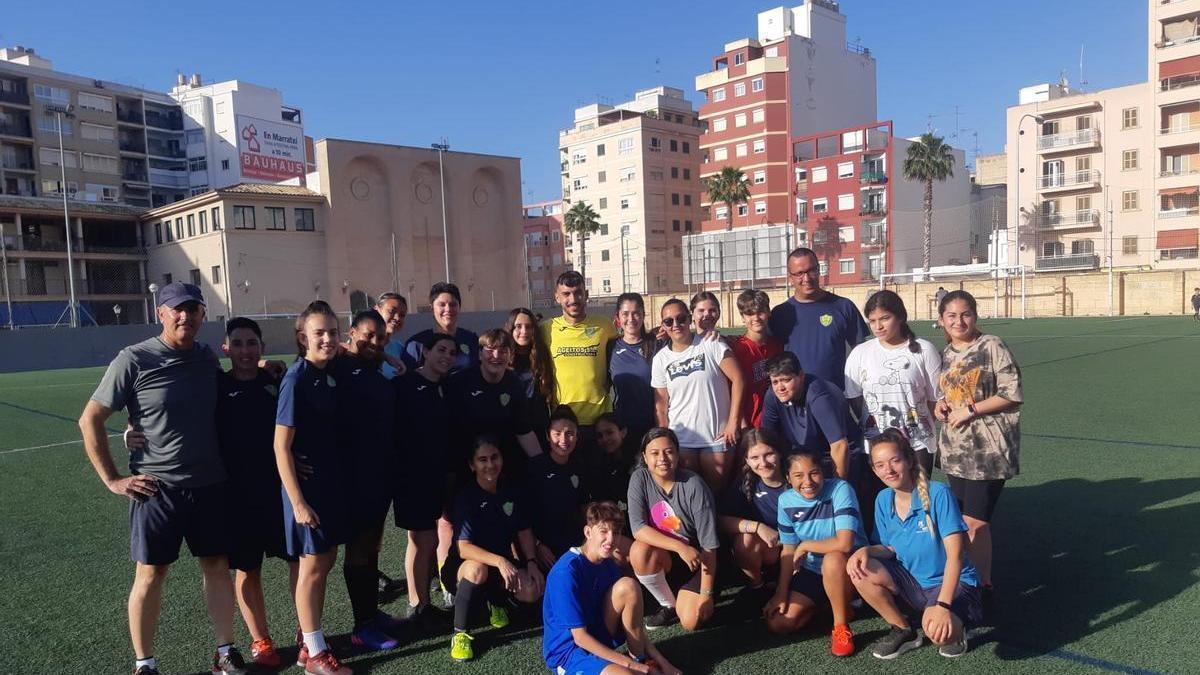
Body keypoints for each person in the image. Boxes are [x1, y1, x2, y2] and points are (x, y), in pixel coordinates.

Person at [80, 281, 249, 675]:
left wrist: (263, 367)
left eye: (193, 309)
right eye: (176, 309)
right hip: (156, 488)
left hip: (209, 484)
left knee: (216, 566)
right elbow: (90, 419)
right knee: (151, 574)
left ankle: (226, 652)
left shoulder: (206, 358)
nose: (185, 316)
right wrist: (113, 479)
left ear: (203, 315)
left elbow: (231, 384)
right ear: (161, 314)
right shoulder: (134, 359)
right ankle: (145, 664)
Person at [847, 429, 982, 659]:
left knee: (938, 634)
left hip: (952, 584)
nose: (888, 470)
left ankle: (958, 628)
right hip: (913, 583)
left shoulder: (938, 494)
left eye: (895, 461)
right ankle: (903, 629)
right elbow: (889, 548)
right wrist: (865, 550)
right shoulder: (883, 499)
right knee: (860, 569)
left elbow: (956, 556)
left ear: (909, 460)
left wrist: (942, 605)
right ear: (873, 469)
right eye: (880, 465)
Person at [275, 301, 353, 675]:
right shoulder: (297, 378)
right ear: (302, 337)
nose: (327, 338)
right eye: (318, 332)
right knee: (312, 567)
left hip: (331, 484)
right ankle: (316, 656)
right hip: (307, 492)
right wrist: (298, 503)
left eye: (332, 332)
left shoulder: (330, 371)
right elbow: (280, 446)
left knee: (326, 562)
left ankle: (311, 642)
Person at [934, 290, 1022, 615]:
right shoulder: (944, 354)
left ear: (975, 315)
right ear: (941, 319)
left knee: (975, 521)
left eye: (965, 314)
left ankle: (980, 583)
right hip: (956, 450)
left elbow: (1012, 394)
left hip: (989, 449)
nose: (959, 321)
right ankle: (974, 579)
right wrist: (941, 406)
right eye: (951, 316)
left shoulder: (991, 346)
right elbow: (943, 395)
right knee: (965, 521)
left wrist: (971, 409)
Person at [217, 318, 298, 669]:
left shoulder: (278, 381)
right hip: (237, 498)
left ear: (262, 348)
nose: (246, 351)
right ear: (227, 349)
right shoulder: (216, 386)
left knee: (299, 561)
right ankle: (260, 640)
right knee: (247, 570)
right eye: (238, 344)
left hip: (280, 492)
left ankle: (305, 629)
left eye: (252, 344)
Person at [329, 311, 403, 651]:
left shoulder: (376, 368)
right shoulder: (339, 365)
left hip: (380, 474)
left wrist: (382, 355)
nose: (374, 342)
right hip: (352, 478)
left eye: (381, 337)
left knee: (372, 547)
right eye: (368, 335)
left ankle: (371, 612)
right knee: (358, 550)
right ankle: (362, 626)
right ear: (351, 333)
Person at [542, 501, 681, 675]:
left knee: (629, 586)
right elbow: (579, 637)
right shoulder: (566, 572)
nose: (610, 539)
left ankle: (641, 657)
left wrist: (662, 662)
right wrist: (632, 667)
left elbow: (636, 624)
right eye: (604, 531)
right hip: (569, 653)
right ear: (588, 532)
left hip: (597, 637)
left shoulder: (607, 563)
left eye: (615, 533)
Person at [442, 436, 545, 662]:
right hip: (464, 567)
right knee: (478, 569)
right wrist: (499, 560)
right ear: (472, 465)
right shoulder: (466, 498)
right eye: (482, 460)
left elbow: (524, 530)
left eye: (494, 457)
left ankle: (495, 602)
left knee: (532, 589)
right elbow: (463, 548)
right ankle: (460, 633)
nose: (490, 465)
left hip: (500, 566)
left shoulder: (510, 491)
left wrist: (531, 562)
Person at [766, 448, 868, 657]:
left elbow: (845, 543)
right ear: (788, 477)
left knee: (832, 559)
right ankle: (839, 605)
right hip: (814, 570)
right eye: (798, 475)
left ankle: (841, 627)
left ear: (823, 472)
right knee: (779, 623)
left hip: (849, 567)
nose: (808, 481)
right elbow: (788, 550)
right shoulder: (785, 501)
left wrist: (806, 546)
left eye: (814, 473)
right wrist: (780, 593)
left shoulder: (840, 489)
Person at [392, 332, 458, 630]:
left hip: (437, 475)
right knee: (421, 539)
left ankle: (423, 604)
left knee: (428, 538)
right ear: (426, 352)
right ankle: (417, 605)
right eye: (440, 350)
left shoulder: (445, 386)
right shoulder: (404, 385)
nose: (446, 356)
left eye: (451, 352)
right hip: (412, 475)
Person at [627, 428, 720, 632]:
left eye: (669, 452)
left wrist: (706, 594)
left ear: (677, 455)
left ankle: (701, 592)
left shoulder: (693, 485)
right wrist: (679, 547)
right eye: (654, 453)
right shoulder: (639, 479)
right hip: (669, 558)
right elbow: (638, 529)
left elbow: (709, 547)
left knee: (690, 622)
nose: (662, 458)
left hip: (697, 562)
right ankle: (668, 605)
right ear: (644, 456)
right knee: (639, 550)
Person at [845, 290, 942, 476]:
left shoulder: (924, 350)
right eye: (872, 321)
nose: (878, 326)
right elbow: (854, 397)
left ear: (900, 317)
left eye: (885, 318)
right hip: (875, 445)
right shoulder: (860, 353)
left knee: (918, 500)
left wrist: (916, 423)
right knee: (879, 501)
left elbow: (934, 399)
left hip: (917, 443)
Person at [652, 299, 745, 492]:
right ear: (663, 326)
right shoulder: (660, 359)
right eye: (669, 321)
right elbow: (661, 406)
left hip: (717, 438)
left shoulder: (711, 343)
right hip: (682, 440)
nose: (676, 325)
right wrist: (666, 438)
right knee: (688, 496)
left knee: (717, 497)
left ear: (689, 318)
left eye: (681, 318)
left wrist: (733, 423)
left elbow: (738, 380)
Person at [540, 271, 618, 460]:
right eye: (566, 294)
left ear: (586, 294)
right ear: (557, 297)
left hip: (599, 423)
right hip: (564, 425)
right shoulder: (546, 329)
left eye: (578, 292)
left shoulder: (605, 326)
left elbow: (627, 348)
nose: (573, 299)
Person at [768, 247, 869, 388]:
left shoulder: (843, 307)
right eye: (799, 273)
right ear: (790, 278)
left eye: (811, 271)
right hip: (794, 401)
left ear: (819, 270)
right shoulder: (779, 314)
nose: (807, 278)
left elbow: (862, 353)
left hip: (834, 398)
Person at [449, 329, 543, 478]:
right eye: (490, 350)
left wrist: (542, 464)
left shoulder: (514, 384)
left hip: (501, 462)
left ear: (510, 355)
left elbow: (523, 430)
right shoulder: (461, 382)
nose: (496, 356)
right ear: (480, 354)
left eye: (502, 351)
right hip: (467, 462)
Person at [761, 352, 865, 484]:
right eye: (775, 382)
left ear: (801, 376)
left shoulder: (820, 396)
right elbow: (767, 438)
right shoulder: (772, 394)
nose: (780, 387)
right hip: (803, 458)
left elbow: (839, 445)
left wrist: (838, 488)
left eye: (786, 380)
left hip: (836, 459)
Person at [717, 428, 786, 599]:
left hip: (798, 549)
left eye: (769, 454)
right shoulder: (747, 482)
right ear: (747, 460)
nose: (763, 463)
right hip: (769, 549)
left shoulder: (796, 478)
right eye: (755, 457)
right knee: (745, 539)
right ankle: (758, 588)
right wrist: (758, 527)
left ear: (780, 453)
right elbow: (720, 521)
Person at [528, 406, 594, 567]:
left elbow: (584, 507)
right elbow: (523, 515)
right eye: (557, 434)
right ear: (547, 436)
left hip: (574, 544)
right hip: (543, 547)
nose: (563, 440)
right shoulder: (535, 468)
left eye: (569, 433)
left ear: (577, 436)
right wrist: (537, 545)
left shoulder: (579, 466)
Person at [730, 289, 784, 428]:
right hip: (751, 424)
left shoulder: (778, 346)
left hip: (778, 422)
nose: (756, 318)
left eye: (760, 311)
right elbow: (732, 393)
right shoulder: (738, 350)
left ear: (768, 312)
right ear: (742, 317)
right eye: (749, 314)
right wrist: (742, 427)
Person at [608, 292, 657, 445]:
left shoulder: (657, 344)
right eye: (625, 314)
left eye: (636, 313)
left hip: (653, 426)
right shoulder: (610, 347)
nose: (631, 319)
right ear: (618, 317)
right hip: (623, 429)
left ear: (643, 315)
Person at [406, 282, 479, 374]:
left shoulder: (471, 340)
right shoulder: (417, 344)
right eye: (442, 305)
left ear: (459, 307)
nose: (448, 309)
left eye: (453, 304)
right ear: (432, 309)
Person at [506, 307, 553, 450]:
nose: (524, 331)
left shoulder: (542, 355)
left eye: (528, 327)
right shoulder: (503, 357)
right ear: (511, 329)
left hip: (538, 428)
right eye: (518, 327)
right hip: (511, 430)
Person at [591, 412, 635, 512]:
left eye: (609, 432)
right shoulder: (598, 466)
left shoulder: (637, 462)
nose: (605, 439)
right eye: (600, 436)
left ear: (623, 432)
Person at [375, 292, 411, 379]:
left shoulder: (400, 348)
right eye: (391, 311)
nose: (397, 318)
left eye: (402, 315)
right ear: (376, 310)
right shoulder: (360, 345)